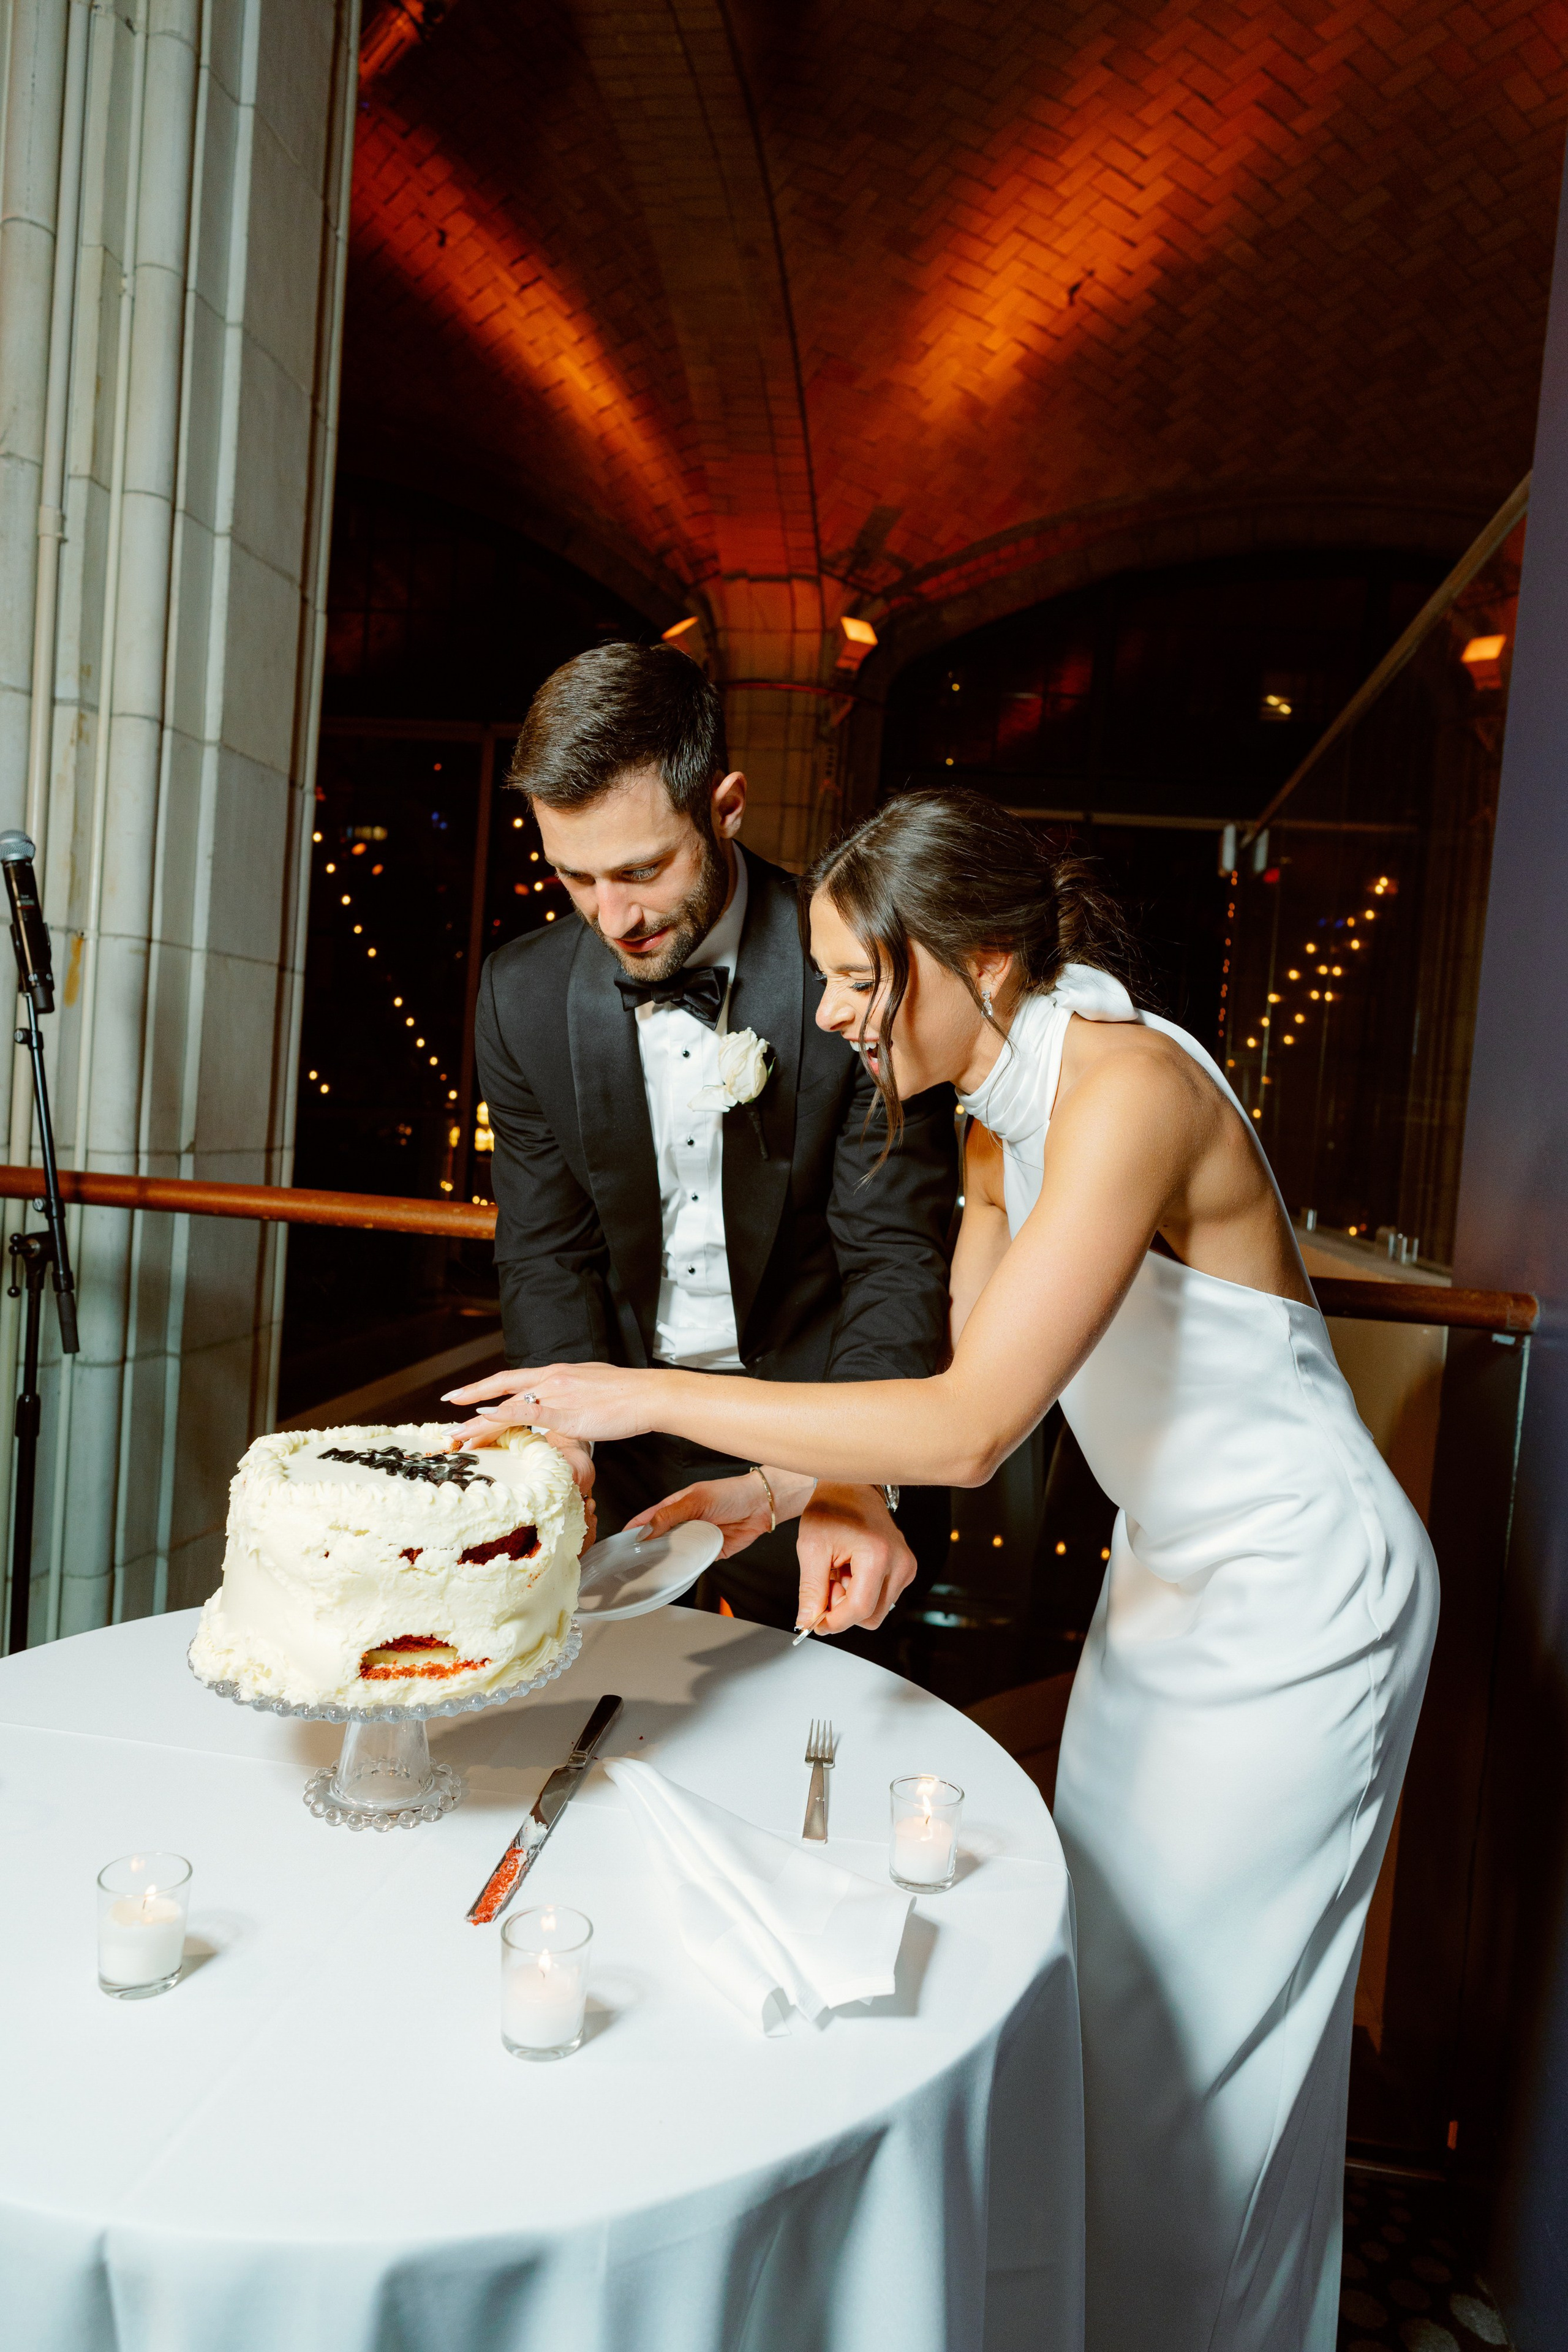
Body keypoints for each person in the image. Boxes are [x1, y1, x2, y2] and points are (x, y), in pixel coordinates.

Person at [449, 786, 1439, 2352]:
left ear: (974, 959)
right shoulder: (993, 1109)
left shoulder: (1127, 1086)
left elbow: (970, 1433)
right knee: (1104, 2007)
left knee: (1206, 2063)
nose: (832, 1012)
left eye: (857, 977)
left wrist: (635, 1393)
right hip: (1167, 1584)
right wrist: (771, 1493)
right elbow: (996, 1376)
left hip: (1304, 1594)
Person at [472, 641, 959, 1637]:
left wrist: (854, 1477)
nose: (615, 917)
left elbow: (895, 1260)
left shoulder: (851, 975)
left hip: (824, 1424)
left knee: (827, 1740)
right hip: (626, 1437)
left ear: (725, 807)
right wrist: (562, 1442)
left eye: (642, 869)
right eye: (575, 878)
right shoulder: (517, 995)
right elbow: (546, 1250)